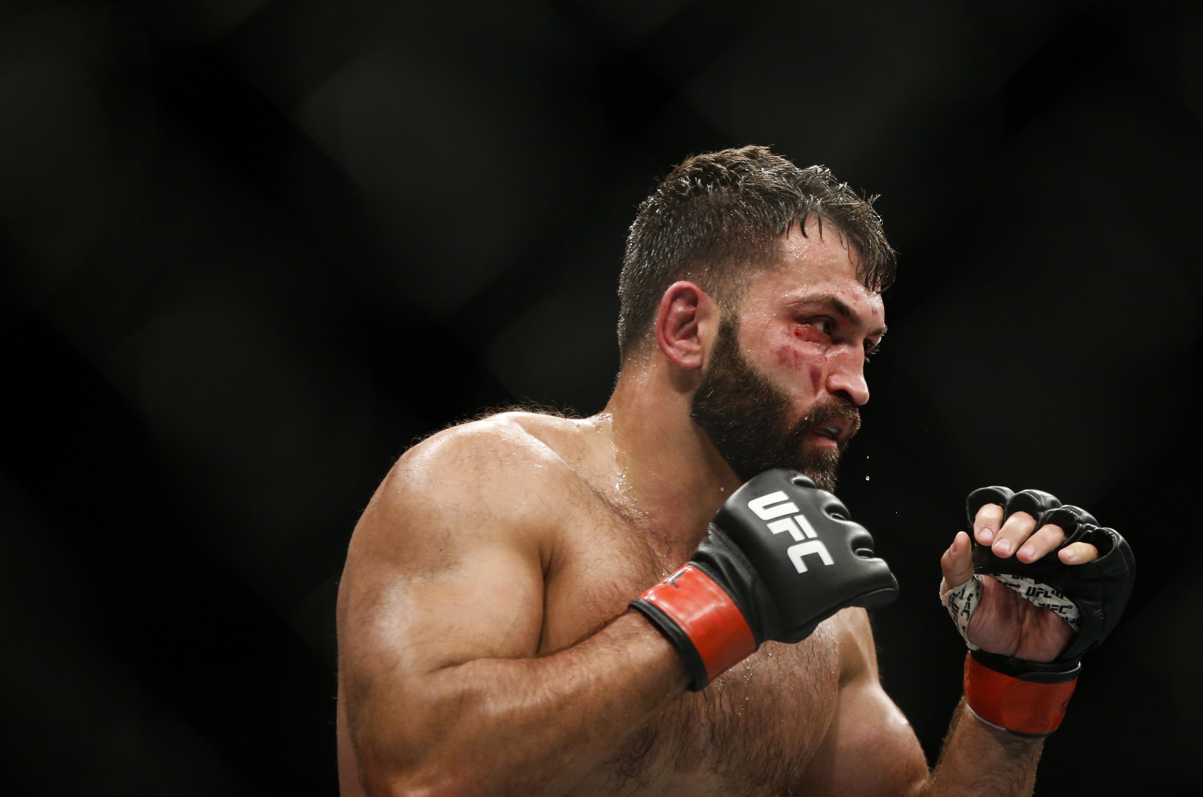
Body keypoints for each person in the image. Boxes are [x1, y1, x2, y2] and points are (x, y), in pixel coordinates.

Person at [335, 146, 1133, 797]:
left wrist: (1010, 690)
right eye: (822, 327)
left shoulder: (822, 621)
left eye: (869, 345)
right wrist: (713, 606)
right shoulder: (487, 483)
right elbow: (419, 772)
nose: (856, 382)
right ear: (687, 325)